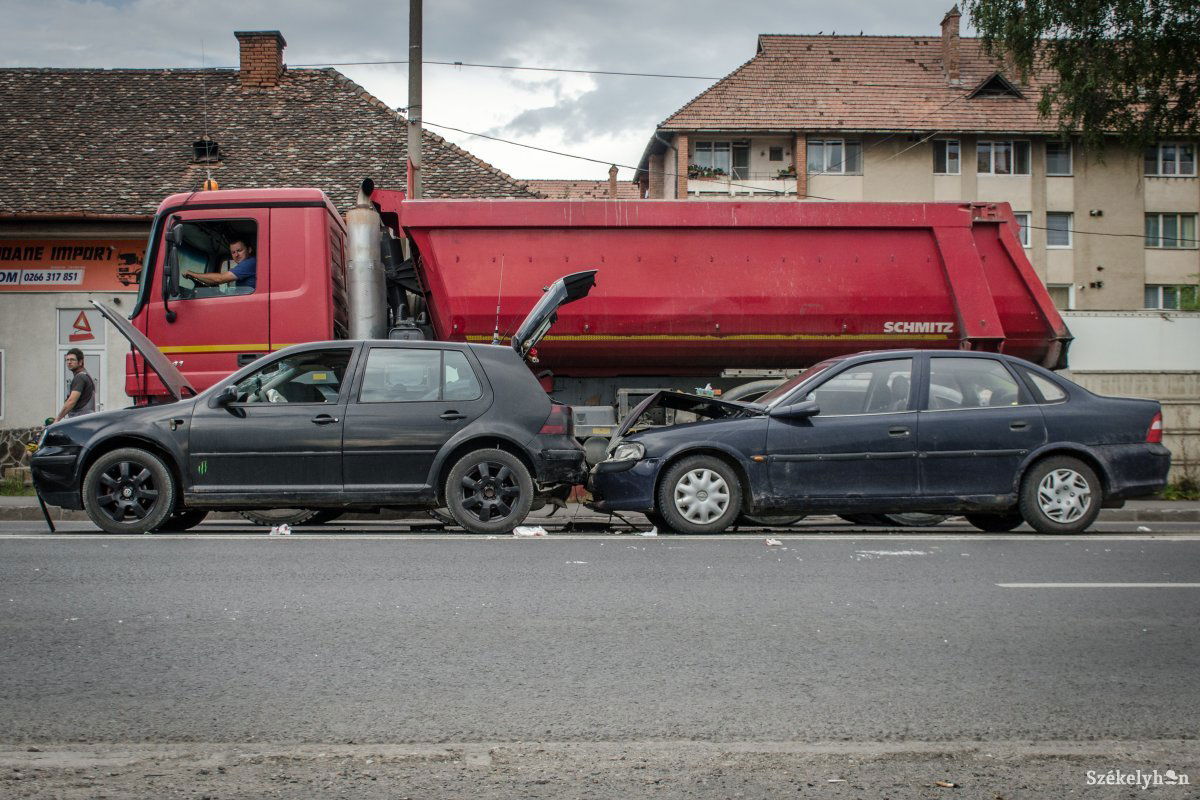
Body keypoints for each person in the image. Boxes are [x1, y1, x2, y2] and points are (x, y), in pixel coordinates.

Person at [184, 238, 257, 290]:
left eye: (239, 250)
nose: (236, 255)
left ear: (249, 250)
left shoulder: (250, 263)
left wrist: (192, 274)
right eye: (233, 252)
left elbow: (220, 279)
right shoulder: (247, 264)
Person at [53, 348, 96, 422]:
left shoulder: (80, 377)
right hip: (86, 420)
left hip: (80, 421)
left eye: (72, 360)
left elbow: (71, 401)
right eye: (67, 360)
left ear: (80, 362)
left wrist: (57, 420)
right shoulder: (85, 375)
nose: (69, 362)